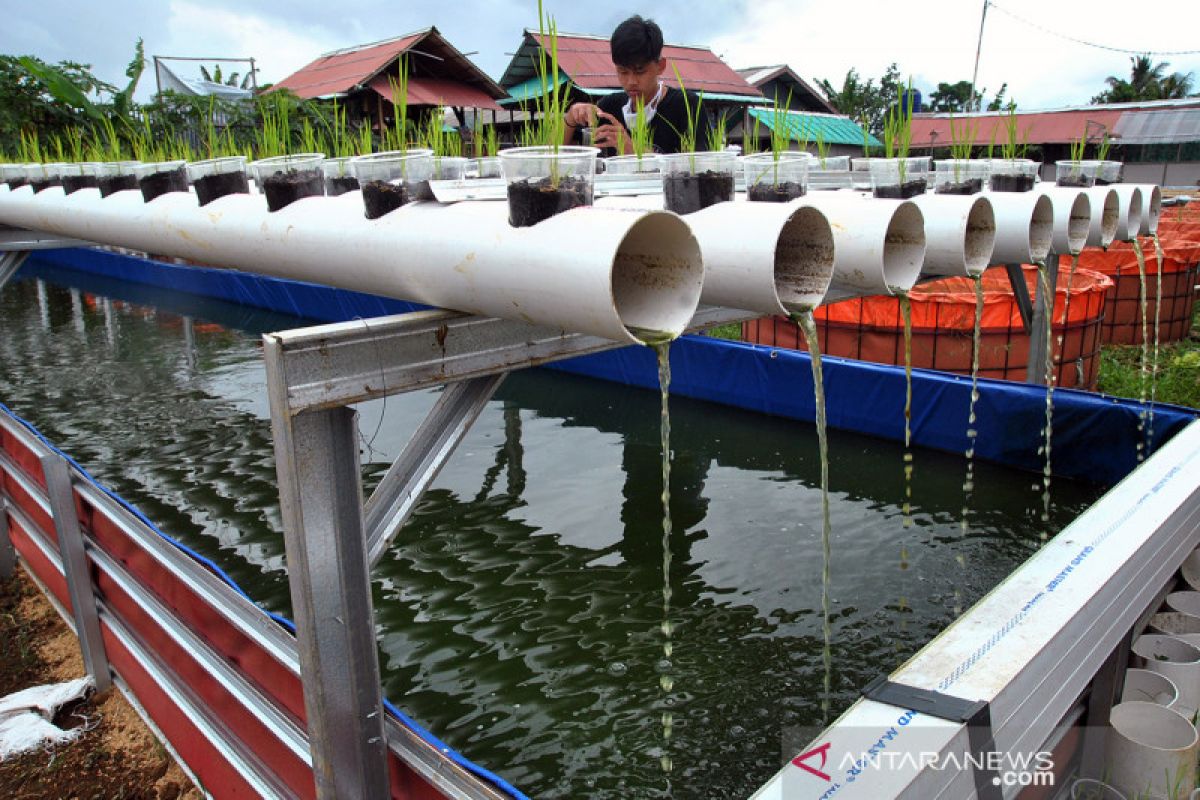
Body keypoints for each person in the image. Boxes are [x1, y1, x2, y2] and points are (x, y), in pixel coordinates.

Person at [562, 15, 710, 156]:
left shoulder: (686, 106)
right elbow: (552, 156)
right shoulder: (609, 108)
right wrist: (570, 118)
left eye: (640, 71)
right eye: (623, 72)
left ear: (660, 66)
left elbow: (697, 167)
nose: (631, 81)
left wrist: (633, 150)